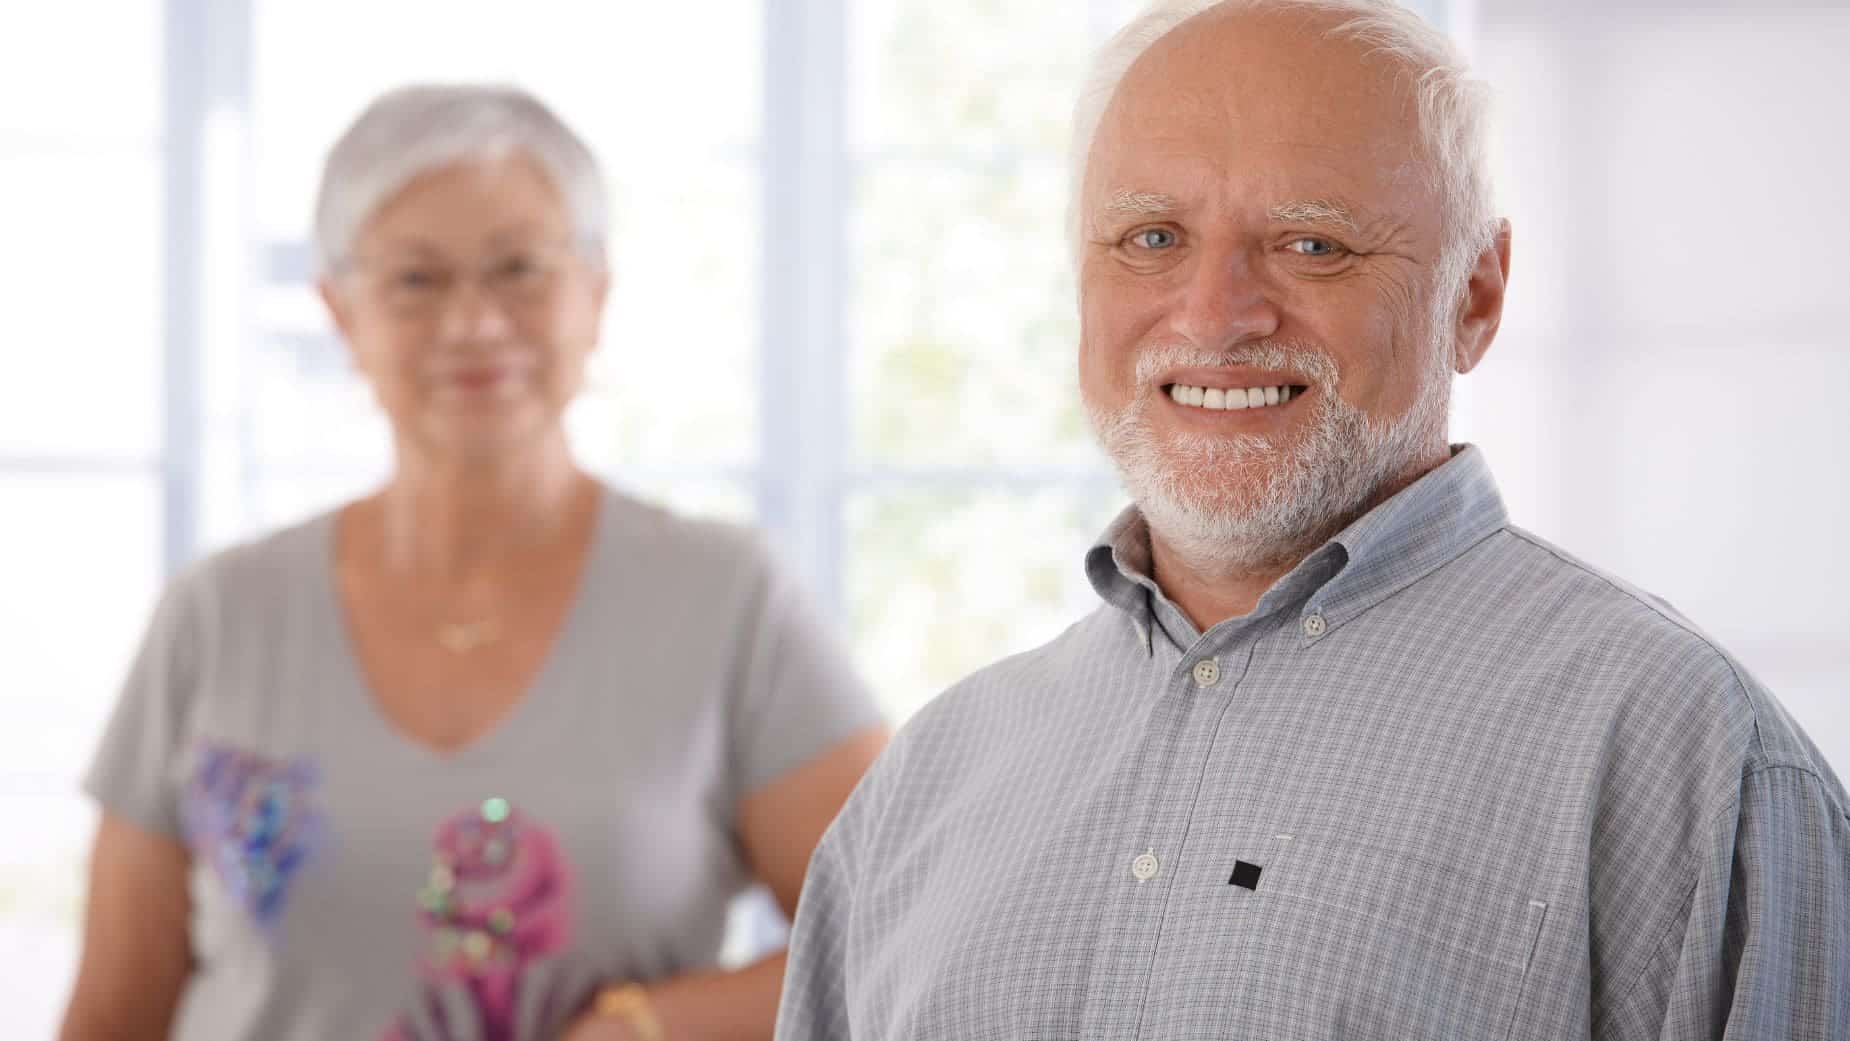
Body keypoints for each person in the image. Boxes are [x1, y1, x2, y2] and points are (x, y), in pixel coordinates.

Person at [775, 1, 1850, 1038]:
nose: (1213, 316)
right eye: (1150, 238)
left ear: (1473, 297)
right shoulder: (927, 783)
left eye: (1311, 245)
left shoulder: (1689, 758)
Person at [58, 85, 888, 1041]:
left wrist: (646, 1025)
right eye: (416, 280)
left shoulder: (730, 599)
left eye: (519, 270)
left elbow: (894, 926)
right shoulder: (216, 615)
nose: (473, 323)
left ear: (595, 293)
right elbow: (112, 1013)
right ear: (340, 310)